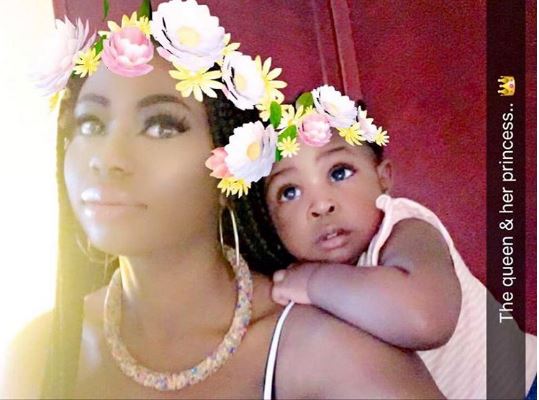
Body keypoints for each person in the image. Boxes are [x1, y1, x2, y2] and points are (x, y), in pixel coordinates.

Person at [1, 2, 444, 398]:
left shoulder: (325, 350)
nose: (107, 158)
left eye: (161, 125)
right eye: (91, 124)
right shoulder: (38, 351)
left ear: (232, 169)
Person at [260, 109, 538, 399]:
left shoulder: (405, 229)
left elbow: (426, 319)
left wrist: (314, 282)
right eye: (289, 192)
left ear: (383, 178)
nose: (320, 205)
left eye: (339, 173)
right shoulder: (295, 290)